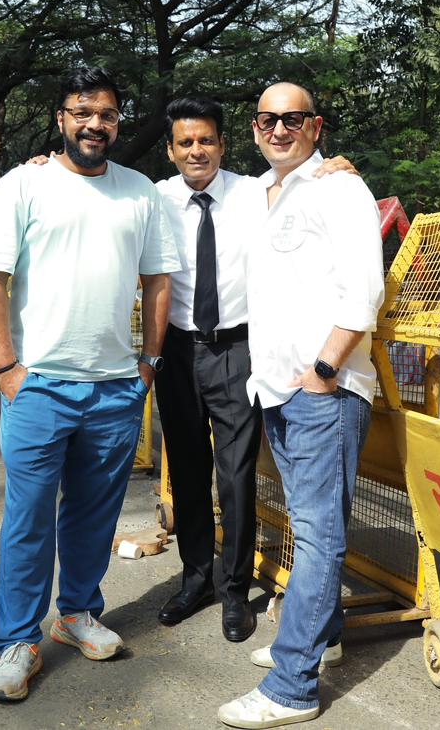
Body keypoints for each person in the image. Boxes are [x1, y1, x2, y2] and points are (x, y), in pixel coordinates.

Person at [0, 67, 179, 703]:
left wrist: (148, 363)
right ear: (61, 119)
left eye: (108, 114)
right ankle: (16, 641)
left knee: (94, 514)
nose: (96, 124)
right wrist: (8, 368)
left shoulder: (141, 191)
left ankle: (78, 613)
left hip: (116, 387)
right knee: (28, 518)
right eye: (82, 112)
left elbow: (158, 282)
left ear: (120, 122)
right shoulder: (24, 183)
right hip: (38, 386)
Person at [151, 96, 358, 644]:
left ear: (223, 143)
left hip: (237, 350)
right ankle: (195, 578)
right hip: (177, 351)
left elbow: (307, 188)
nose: (198, 151)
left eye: (207, 141)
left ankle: (234, 590)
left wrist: (333, 164)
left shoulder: (255, 191)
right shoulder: (154, 200)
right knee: (188, 472)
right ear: (171, 150)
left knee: (237, 474)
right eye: (186, 142)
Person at [218, 82, 384, 730]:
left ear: (316, 126)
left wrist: (324, 368)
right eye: (267, 119)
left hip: (322, 391)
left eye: (293, 119)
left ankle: (293, 687)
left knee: (317, 536)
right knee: (314, 526)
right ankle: (326, 636)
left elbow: (363, 288)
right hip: (280, 391)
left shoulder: (339, 189)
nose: (279, 128)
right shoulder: (266, 195)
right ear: (255, 128)